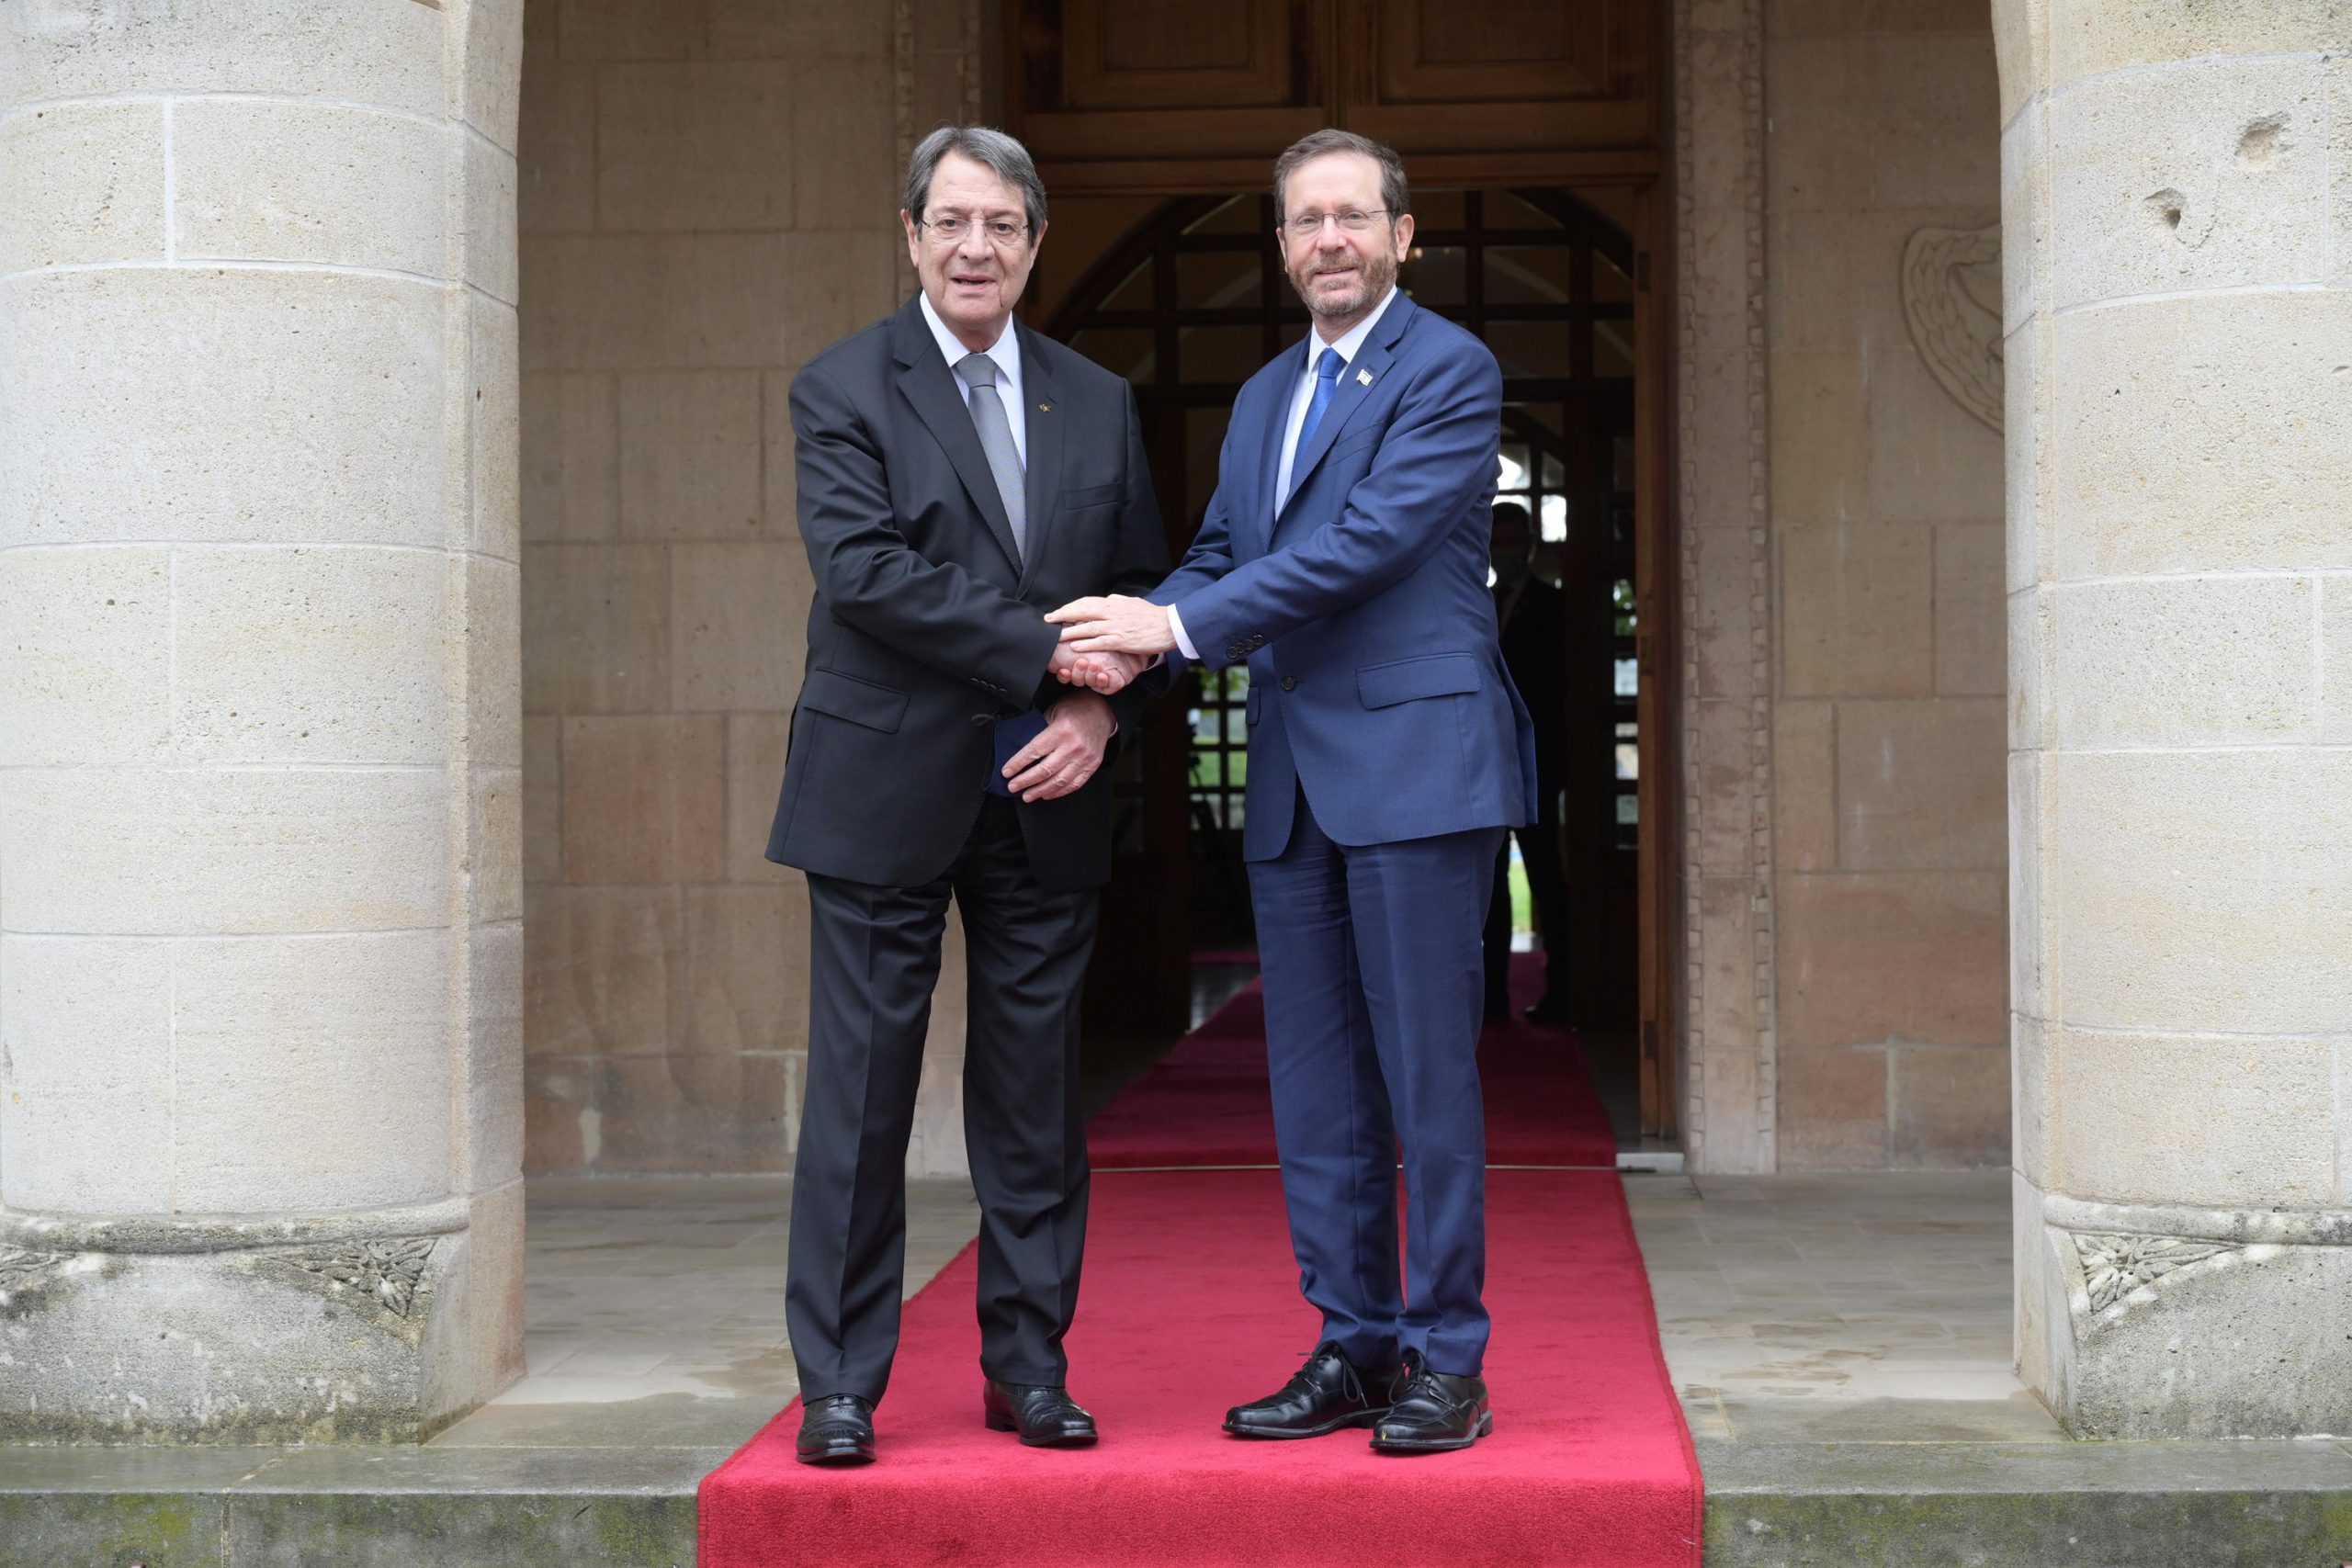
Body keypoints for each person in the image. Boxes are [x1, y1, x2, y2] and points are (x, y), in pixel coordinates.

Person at [1050, 129, 1536, 1453]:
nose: (1330, 239)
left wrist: (1171, 629)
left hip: (1416, 773)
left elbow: (1369, 544)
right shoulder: (1267, 394)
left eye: (1353, 216)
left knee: (1425, 1080)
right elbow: (1220, 552)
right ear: (1280, 246)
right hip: (1295, 782)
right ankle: (1356, 1342)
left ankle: (1449, 1359)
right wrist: (1120, 649)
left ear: (1402, 237)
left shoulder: (1449, 368)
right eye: (1306, 220)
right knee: (1317, 1090)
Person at [766, 125, 1166, 1466]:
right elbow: (865, 572)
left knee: (1035, 1103)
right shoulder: (841, 387)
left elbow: (1142, 594)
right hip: (881, 786)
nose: (975, 248)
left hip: (1045, 790)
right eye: (951, 222)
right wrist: (1048, 655)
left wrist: (1100, 707)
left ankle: (1030, 1369)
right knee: (862, 1101)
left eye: (1001, 225)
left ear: (1035, 243)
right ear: (911, 233)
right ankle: (838, 1384)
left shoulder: (1097, 399)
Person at [1480, 501, 1574, 1024]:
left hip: (1538, 766)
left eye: (1513, 542)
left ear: (1531, 545)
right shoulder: (1476, 605)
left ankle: (1564, 993)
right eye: (1497, 543)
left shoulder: (1556, 606)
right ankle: (1491, 1000)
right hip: (1484, 768)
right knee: (1488, 886)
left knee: (1546, 878)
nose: (1505, 552)